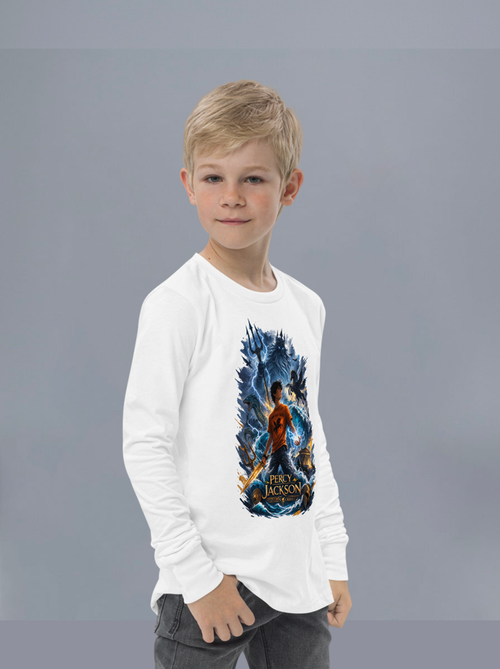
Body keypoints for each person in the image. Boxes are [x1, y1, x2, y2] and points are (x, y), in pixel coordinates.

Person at [122, 79, 352, 669]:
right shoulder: (178, 304)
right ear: (188, 185)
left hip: (298, 584)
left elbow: (310, 439)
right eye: (213, 178)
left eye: (252, 178)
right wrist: (197, 579)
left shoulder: (306, 306)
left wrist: (331, 557)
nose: (231, 197)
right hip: (214, 583)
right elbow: (145, 445)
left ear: (289, 188)